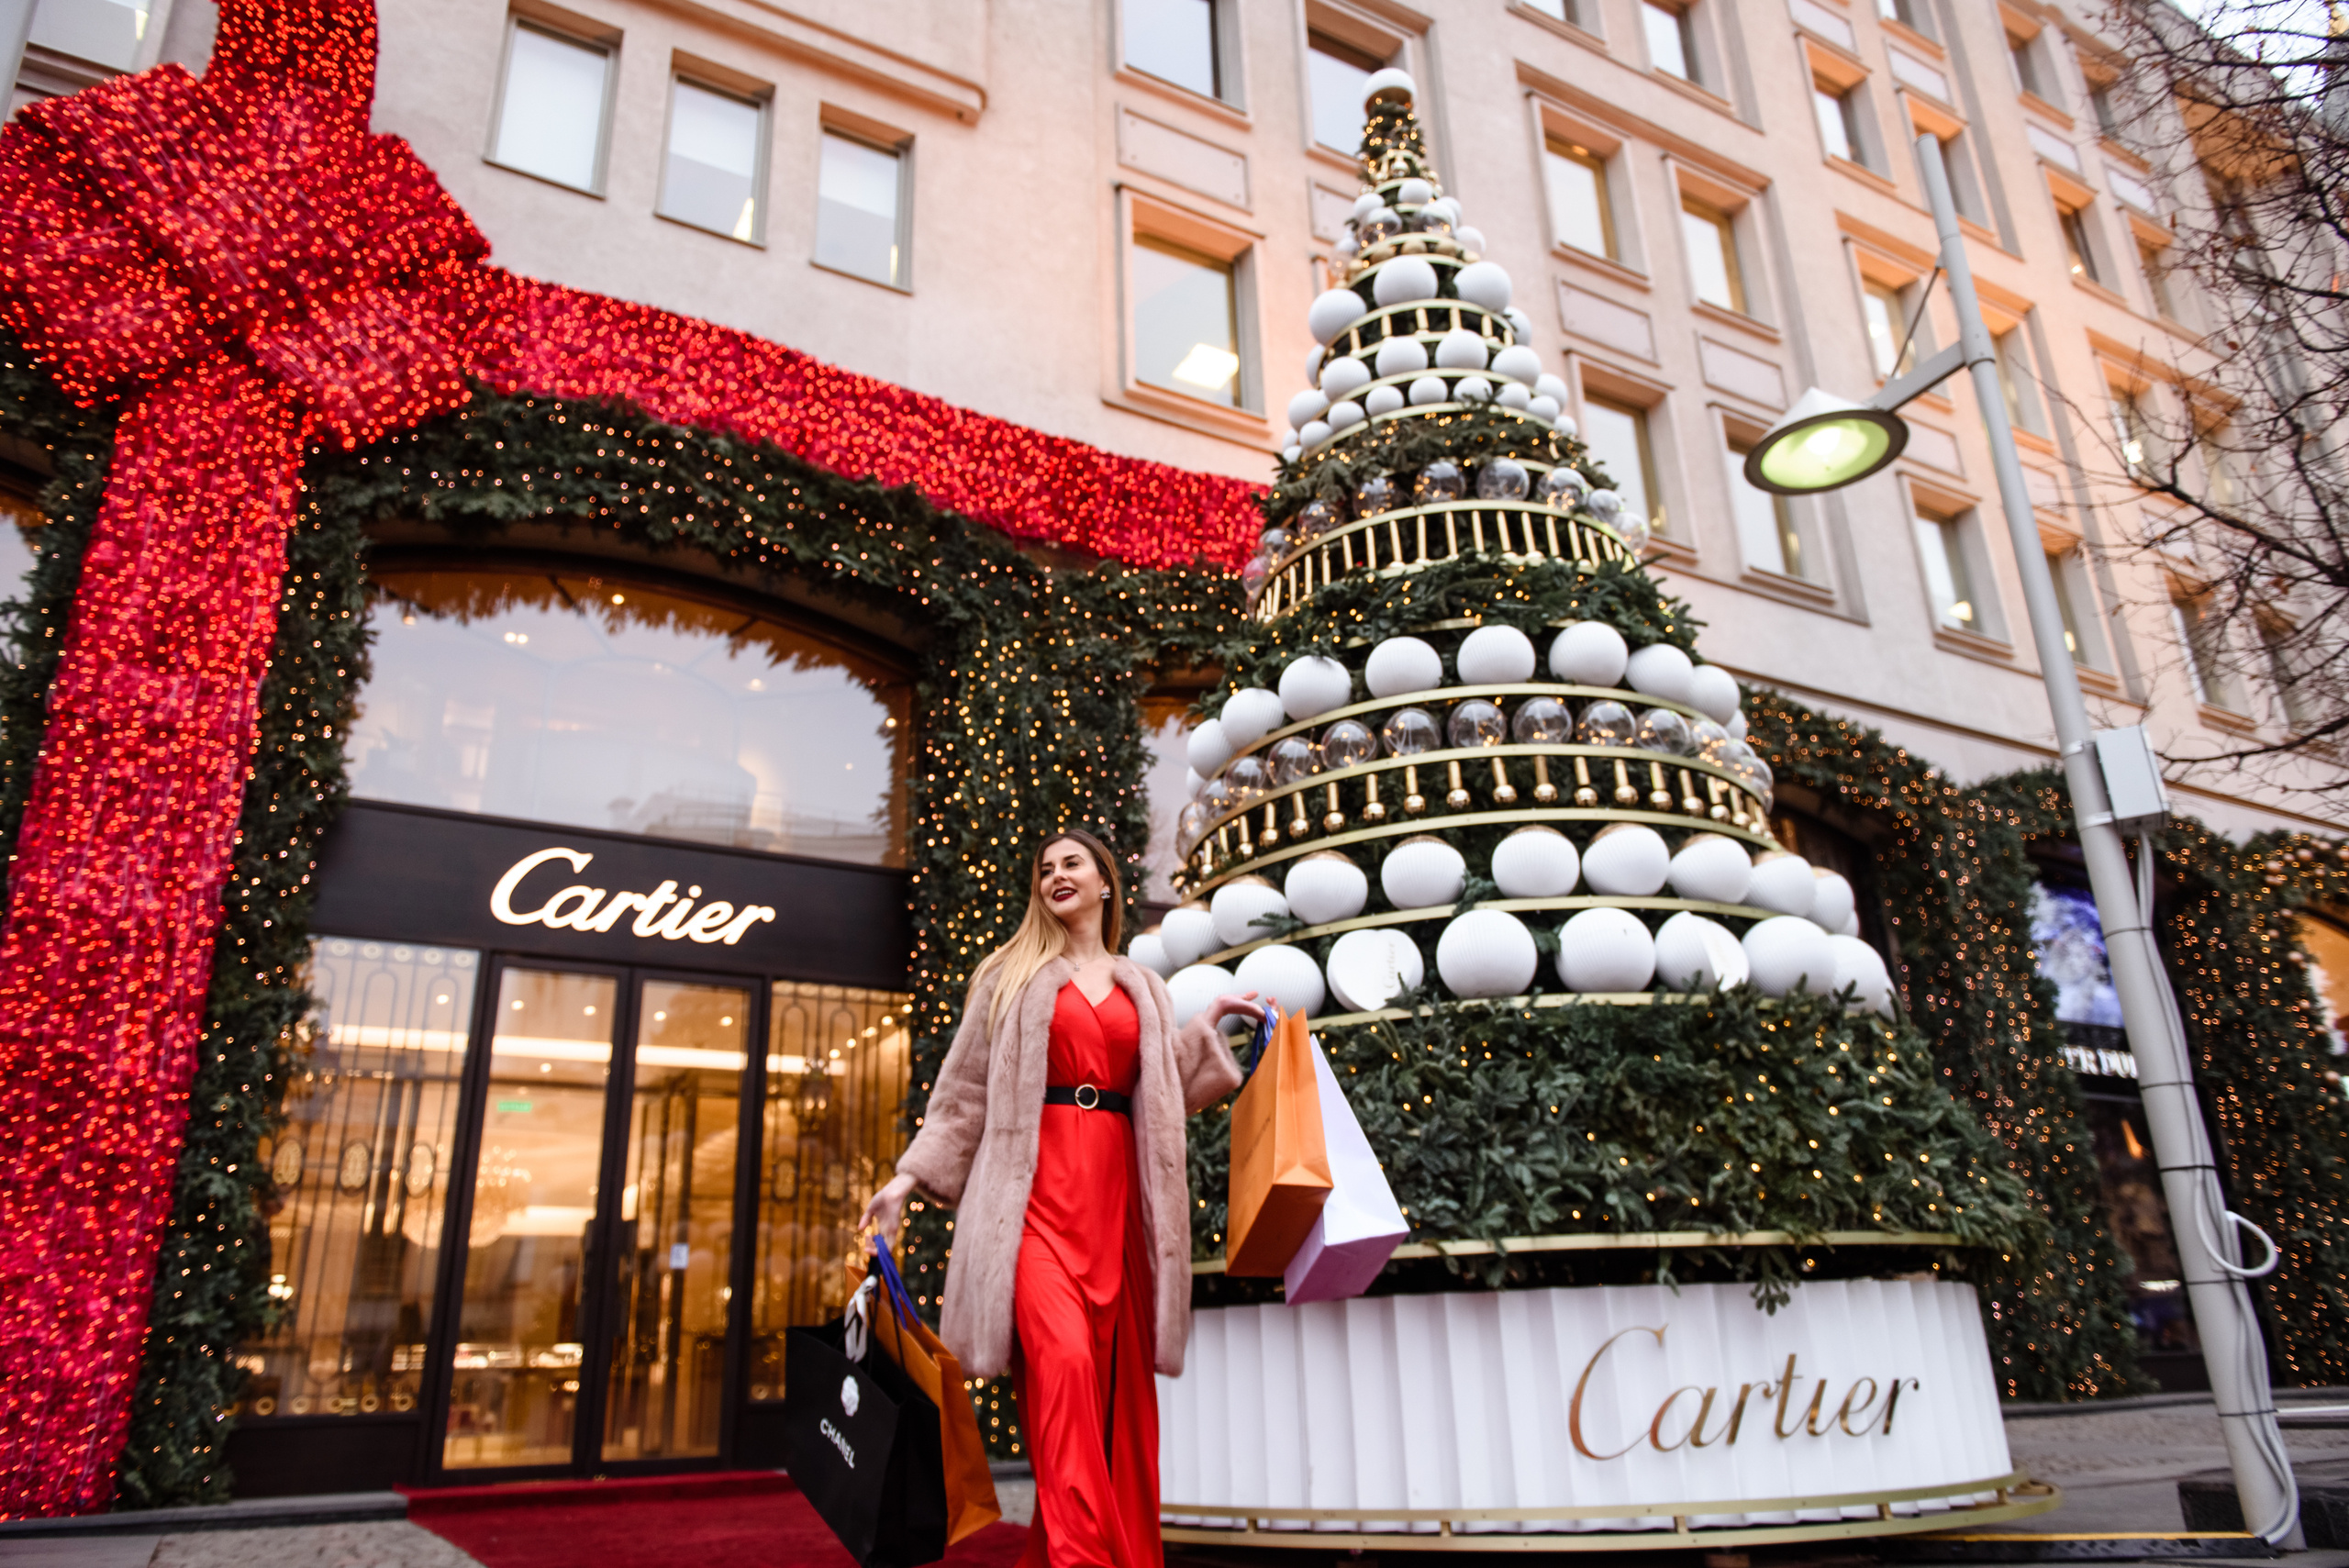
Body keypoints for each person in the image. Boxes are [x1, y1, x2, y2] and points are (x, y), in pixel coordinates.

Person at [862, 828, 1259, 1568]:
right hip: (1032, 1209)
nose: (1055, 875)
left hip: (1119, 1215)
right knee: (1066, 1368)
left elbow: (1156, 1094)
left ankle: (1075, 1550)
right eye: (1045, 869)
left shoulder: (1144, 986)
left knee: (1115, 1408)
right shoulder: (1007, 975)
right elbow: (963, 1095)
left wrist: (1205, 1031)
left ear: (1106, 882)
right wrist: (906, 1179)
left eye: (1071, 863)